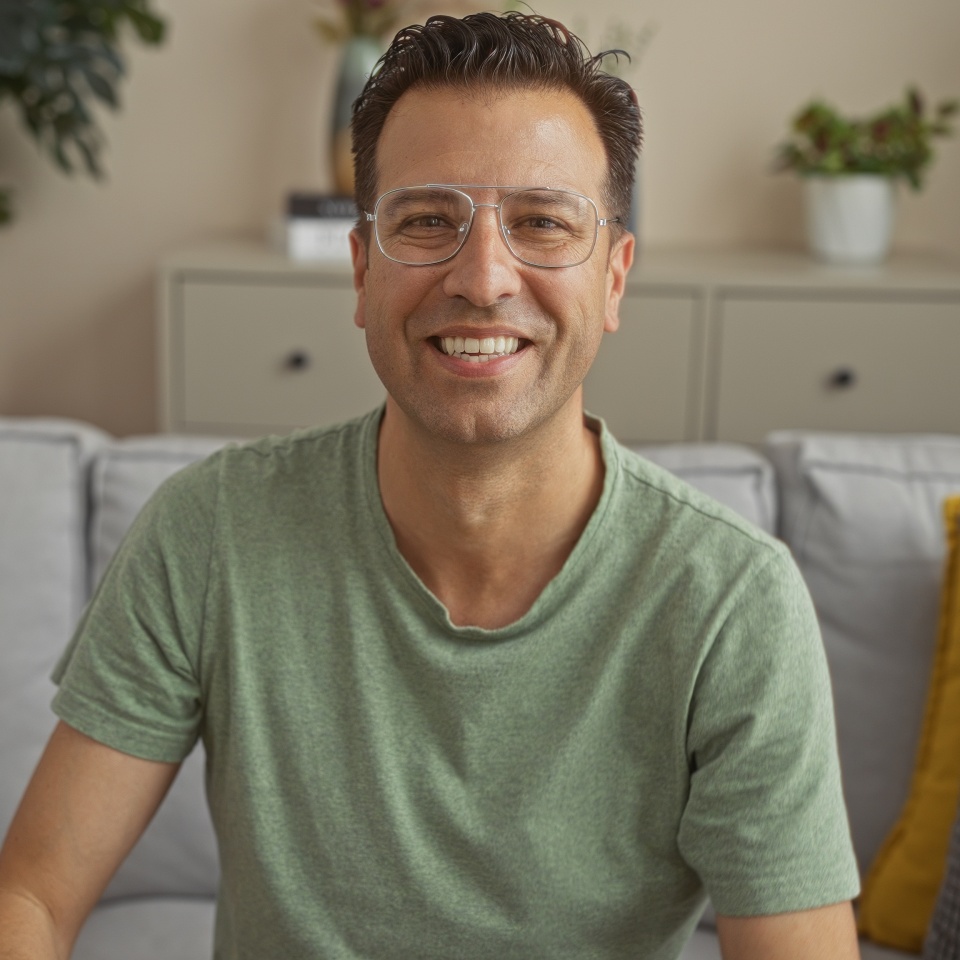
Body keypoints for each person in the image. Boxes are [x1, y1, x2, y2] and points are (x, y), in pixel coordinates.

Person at [0, 12, 861, 959]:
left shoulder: (735, 602)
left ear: (615, 278)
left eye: (541, 223)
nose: (485, 278)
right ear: (362, 269)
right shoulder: (206, 534)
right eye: (427, 222)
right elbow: (31, 896)